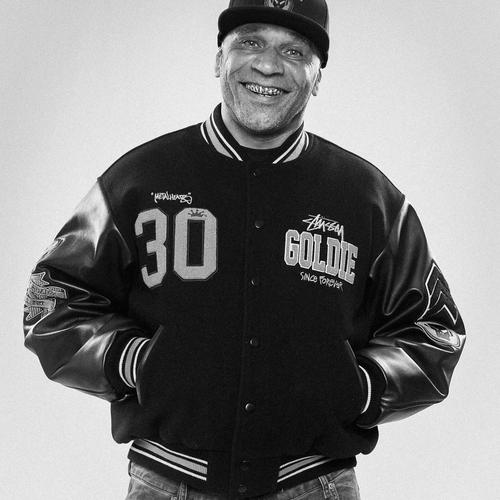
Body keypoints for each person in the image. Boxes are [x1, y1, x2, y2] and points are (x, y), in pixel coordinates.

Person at [23, 1, 465, 499]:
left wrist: (361, 385)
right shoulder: (138, 179)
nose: (269, 65)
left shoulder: (370, 200)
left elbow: (436, 331)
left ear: (318, 77)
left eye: (294, 51)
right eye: (250, 42)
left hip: (315, 483)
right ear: (219, 59)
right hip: (168, 481)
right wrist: (136, 361)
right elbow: (50, 302)